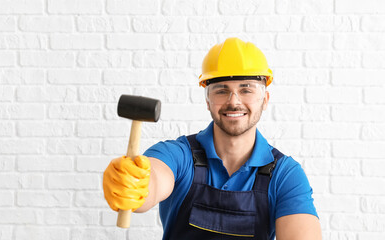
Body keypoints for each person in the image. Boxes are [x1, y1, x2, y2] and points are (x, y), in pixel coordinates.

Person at [103, 37, 321, 239]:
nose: (234, 101)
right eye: (221, 90)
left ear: (265, 100)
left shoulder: (284, 175)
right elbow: (154, 179)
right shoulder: (179, 155)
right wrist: (134, 185)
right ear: (207, 101)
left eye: (246, 90)